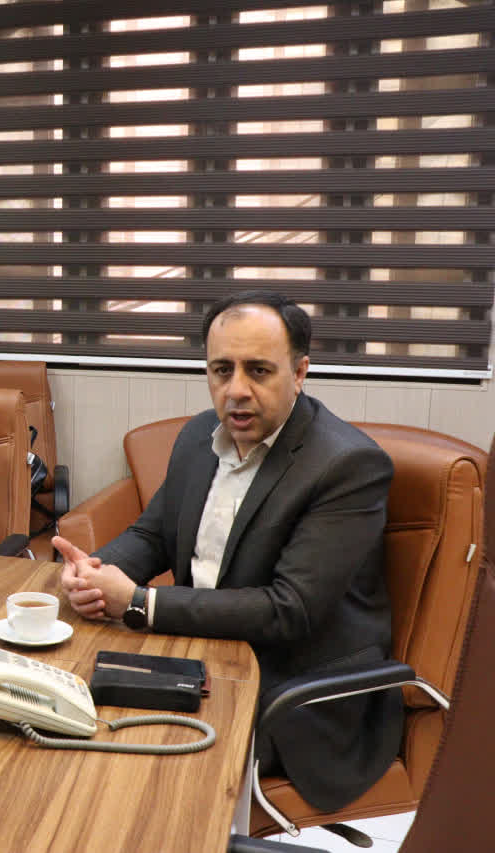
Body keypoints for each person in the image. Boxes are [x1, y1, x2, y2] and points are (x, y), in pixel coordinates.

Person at [55, 290, 403, 813]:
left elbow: (290, 608)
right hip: (202, 657)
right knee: (69, 706)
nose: (236, 390)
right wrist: (94, 572)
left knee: (142, 762)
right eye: (222, 370)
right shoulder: (200, 435)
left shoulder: (347, 465)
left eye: (258, 371)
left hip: (297, 691)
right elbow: (154, 534)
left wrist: (141, 603)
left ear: (300, 372)